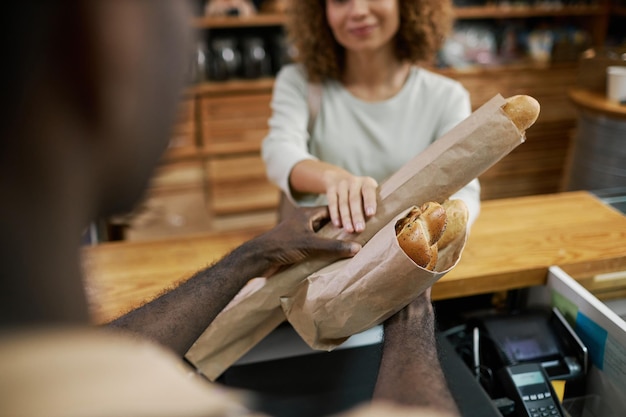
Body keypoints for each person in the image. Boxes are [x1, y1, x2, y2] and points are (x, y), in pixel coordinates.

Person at [0, 1, 459, 416]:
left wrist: (250, 254)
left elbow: (95, 360)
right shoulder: (302, 83)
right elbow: (281, 150)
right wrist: (410, 301)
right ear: (104, 39)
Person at [262, 0, 481, 234]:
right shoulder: (299, 83)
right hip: (318, 252)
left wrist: (430, 235)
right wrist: (334, 179)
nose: (358, 11)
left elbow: (464, 189)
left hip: (410, 256)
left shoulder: (446, 96)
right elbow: (280, 150)